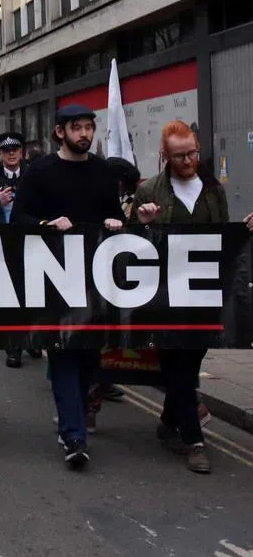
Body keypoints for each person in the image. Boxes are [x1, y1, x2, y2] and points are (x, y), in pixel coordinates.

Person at [131, 121, 253, 474]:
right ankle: (193, 440)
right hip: (164, 295)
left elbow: (223, 237)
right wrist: (142, 223)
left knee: (190, 361)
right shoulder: (150, 189)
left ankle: (169, 419)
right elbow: (130, 246)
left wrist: (243, 230)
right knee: (176, 364)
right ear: (164, 156)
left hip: (202, 292)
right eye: (180, 156)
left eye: (193, 153)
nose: (188, 161)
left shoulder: (213, 188)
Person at [12, 104, 125, 470]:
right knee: (62, 351)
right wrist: (46, 223)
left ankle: (70, 421)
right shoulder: (40, 171)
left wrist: (115, 222)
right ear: (60, 131)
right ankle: (74, 435)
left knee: (87, 356)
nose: (85, 135)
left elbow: (117, 217)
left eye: (90, 128)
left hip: (95, 279)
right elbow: (20, 219)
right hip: (53, 277)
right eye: (77, 128)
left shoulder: (104, 172)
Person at [0, 131, 42, 368]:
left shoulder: (34, 174)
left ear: (21, 152)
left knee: (33, 294)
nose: (12, 154)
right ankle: (14, 347)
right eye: (7, 151)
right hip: (4, 243)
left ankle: (32, 339)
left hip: (31, 241)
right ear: (0, 154)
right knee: (10, 296)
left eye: (16, 150)